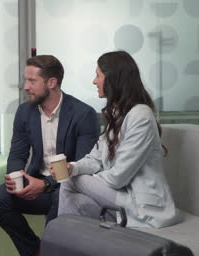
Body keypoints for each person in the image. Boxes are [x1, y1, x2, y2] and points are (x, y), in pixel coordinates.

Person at [0, 55, 99, 256]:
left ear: (52, 82)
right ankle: (35, 250)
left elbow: (83, 165)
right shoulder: (24, 112)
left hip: (68, 186)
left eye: (32, 81)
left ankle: (50, 250)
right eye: (25, 80)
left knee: (59, 201)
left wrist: (46, 184)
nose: (25, 87)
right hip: (36, 182)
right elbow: (17, 154)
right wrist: (17, 180)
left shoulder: (83, 114)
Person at [52, 50, 180, 228]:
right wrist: (73, 167)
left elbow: (118, 177)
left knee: (70, 181)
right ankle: (69, 244)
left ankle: (58, 241)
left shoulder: (141, 116)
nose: (94, 81)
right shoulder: (118, 115)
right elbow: (95, 158)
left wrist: (84, 176)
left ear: (112, 78)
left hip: (144, 207)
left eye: (98, 76)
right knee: (76, 199)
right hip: (121, 198)